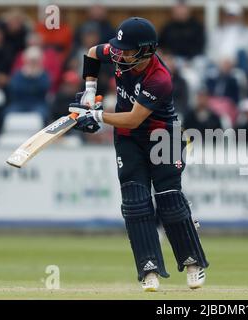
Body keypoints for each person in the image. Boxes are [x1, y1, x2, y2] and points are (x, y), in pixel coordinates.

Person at [68, 17, 209, 292]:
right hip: (129, 140)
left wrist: (96, 115)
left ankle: (193, 262)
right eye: (119, 48)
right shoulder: (121, 55)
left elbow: (133, 119)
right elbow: (93, 53)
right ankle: (149, 269)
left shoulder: (159, 78)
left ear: (145, 51)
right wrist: (89, 91)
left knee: (169, 201)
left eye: (127, 50)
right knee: (135, 203)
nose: (119, 54)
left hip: (163, 138)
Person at [207, 1, 248, 70]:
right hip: (219, 65)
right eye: (229, 15)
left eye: (234, 15)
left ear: (239, 16)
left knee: (242, 53)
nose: (231, 18)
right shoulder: (216, 32)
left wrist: (234, 61)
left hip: (240, 66)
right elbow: (210, 51)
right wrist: (221, 62)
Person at [6, 46, 51, 123]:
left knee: (43, 114)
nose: (33, 62)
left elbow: (45, 88)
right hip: (19, 103)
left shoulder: (43, 74)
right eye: (31, 60)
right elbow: (15, 89)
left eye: (35, 60)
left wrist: (36, 77)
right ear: (26, 60)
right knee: (7, 113)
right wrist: (27, 76)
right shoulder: (19, 74)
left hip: (38, 104)